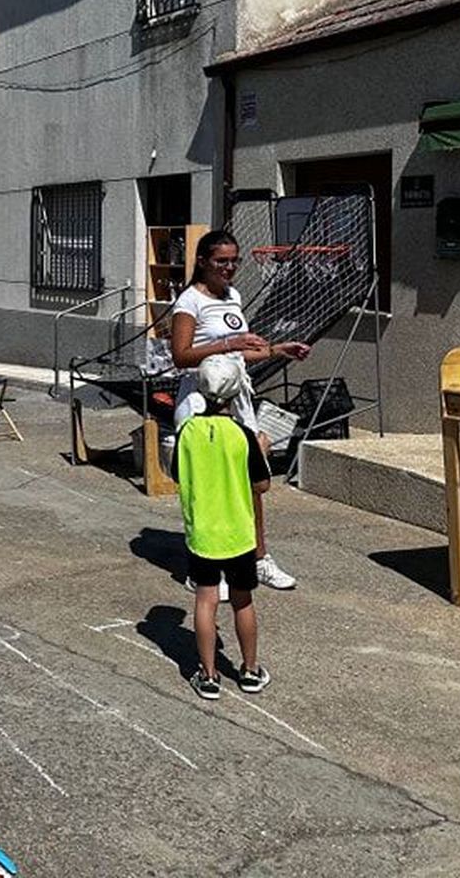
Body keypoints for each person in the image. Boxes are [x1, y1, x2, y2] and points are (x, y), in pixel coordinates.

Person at [169, 229, 311, 593]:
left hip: (238, 400)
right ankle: (201, 566)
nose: (229, 268)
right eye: (222, 261)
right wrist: (229, 342)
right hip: (202, 402)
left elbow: (237, 353)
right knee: (207, 486)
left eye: (234, 261)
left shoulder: (233, 296)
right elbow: (181, 355)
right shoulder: (189, 301)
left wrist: (277, 349)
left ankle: (258, 557)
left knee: (250, 481)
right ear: (203, 262)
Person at [179, 355, 274, 699]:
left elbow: (177, 473)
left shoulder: (187, 431)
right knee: (242, 600)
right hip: (238, 532)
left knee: (206, 599)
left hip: (202, 530)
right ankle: (249, 670)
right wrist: (262, 450)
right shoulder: (242, 435)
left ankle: (208, 675)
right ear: (235, 394)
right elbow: (261, 486)